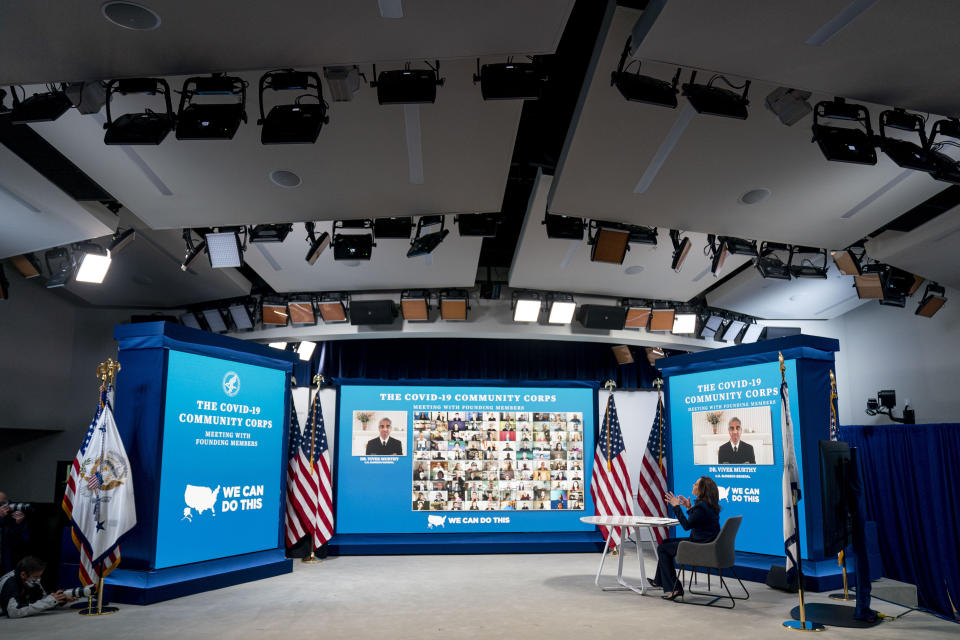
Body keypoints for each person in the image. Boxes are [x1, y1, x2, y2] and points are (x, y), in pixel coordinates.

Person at [653, 476, 722, 601]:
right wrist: (689, 508)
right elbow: (699, 521)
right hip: (705, 543)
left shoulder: (701, 507)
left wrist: (676, 506)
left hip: (699, 546)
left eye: (696, 484)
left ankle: (675, 588)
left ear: (702, 489)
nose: (693, 486)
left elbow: (686, 526)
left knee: (663, 548)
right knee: (666, 543)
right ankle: (659, 581)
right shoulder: (708, 505)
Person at [1, 556, 77, 618]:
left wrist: (59, 598)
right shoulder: (10, 583)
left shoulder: (31, 580)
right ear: (23, 575)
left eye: (39, 577)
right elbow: (14, 612)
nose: (38, 580)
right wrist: (50, 601)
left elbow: (42, 599)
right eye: (36, 577)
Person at [0, 493, 28, 574]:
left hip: (5, 567)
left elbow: (23, 542)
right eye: (1, 504)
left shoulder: (8, 520)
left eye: (6, 503)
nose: (5, 507)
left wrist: (19, 525)